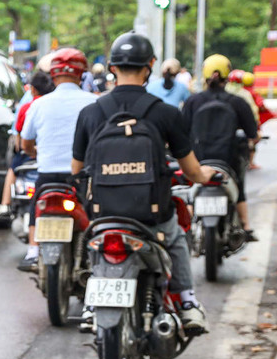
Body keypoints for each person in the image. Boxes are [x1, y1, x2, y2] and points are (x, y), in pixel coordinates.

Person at [70, 32, 217, 334]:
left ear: (111, 67)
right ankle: (188, 302)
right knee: (175, 237)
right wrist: (206, 175)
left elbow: (77, 168)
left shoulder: (90, 113)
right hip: (151, 216)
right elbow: (192, 171)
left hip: (105, 213)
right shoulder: (165, 113)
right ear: (149, 65)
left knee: (92, 241)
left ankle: (89, 303)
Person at [17, 48, 96, 271]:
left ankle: (33, 251)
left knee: (37, 204)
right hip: (81, 176)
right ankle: (92, 250)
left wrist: (35, 153)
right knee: (92, 210)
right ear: (81, 74)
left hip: (48, 175)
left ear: (53, 74)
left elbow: (26, 144)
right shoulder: (93, 102)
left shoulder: (38, 104)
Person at [181, 54, 258, 242]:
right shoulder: (237, 102)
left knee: (189, 189)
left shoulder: (193, 101)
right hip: (228, 159)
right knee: (238, 189)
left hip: (198, 160)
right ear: (227, 75)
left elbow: (181, 132)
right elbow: (252, 132)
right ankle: (246, 226)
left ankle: (188, 225)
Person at [0, 70, 54, 223]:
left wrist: (25, 150)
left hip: (30, 152)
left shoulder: (28, 107)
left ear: (33, 89)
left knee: (13, 169)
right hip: (51, 153)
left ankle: (4, 204)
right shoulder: (55, 106)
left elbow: (20, 138)